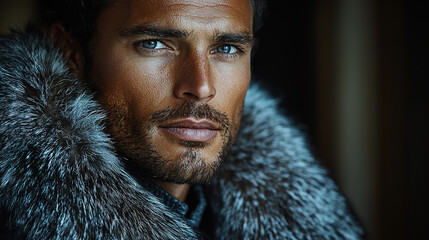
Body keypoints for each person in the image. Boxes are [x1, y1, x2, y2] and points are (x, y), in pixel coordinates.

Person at [0, 0, 364, 239]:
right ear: (71, 53)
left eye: (226, 48)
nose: (201, 87)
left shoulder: (300, 217)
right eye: (155, 43)